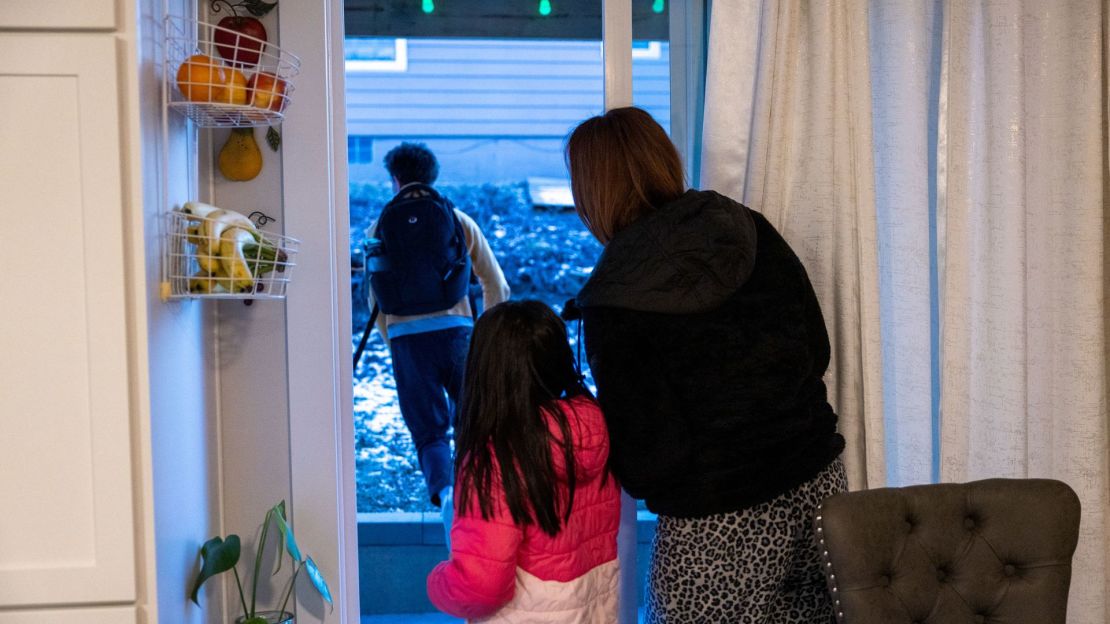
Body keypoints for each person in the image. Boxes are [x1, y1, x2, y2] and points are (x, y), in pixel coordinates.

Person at [563, 107, 847, 623]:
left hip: (715, 524)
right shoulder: (747, 227)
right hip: (819, 492)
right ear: (663, 160)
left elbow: (650, 458)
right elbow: (818, 350)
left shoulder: (615, 299)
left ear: (592, 192)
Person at [426, 300, 621, 623]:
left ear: (485, 370)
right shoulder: (594, 428)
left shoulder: (495, 457)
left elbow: (481, 587)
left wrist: (438, 583)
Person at [366, 142, 510, 517]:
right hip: (458, 335)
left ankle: (445, 496)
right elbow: (497, 285)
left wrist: (393, 339)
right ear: (433, 177)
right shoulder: (458, 221)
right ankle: (479, 504)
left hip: (407, 342)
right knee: (473, 421)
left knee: (429, 432)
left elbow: (372, 300)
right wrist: (485, 339)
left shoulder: (379, 226)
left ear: (395, 181)